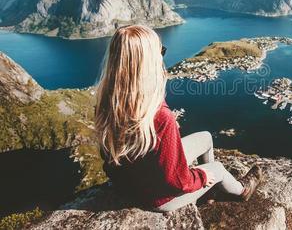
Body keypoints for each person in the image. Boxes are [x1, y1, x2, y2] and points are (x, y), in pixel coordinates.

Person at [95, 25, 262, 212]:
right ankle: (242, 190)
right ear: (149, 63)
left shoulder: (109, 102)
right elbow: (176, 181)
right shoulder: (160, 117)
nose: (163, 55)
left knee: (206, 137)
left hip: (129, 184)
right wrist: (201, 177)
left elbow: (109, 155)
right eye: (161, 51)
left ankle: (208, 193)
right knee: (217, 169)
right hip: (160, 198)